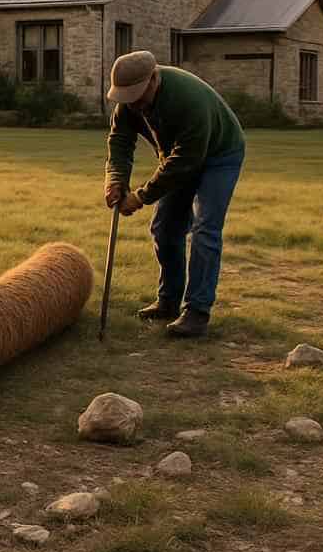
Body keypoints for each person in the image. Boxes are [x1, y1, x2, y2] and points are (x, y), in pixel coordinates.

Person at [103, 50, 245, 339]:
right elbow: (119, 141)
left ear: (154, 79)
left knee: (205, 229)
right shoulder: (129, 103)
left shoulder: (187, 100)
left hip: (220, 154)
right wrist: (116, 180)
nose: (135, 104)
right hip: (178, 157)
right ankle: (168, 301)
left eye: (139, 96)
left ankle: (196, 311)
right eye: (128, 98)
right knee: (165, 228)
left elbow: (185, 162)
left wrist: (140, 196)